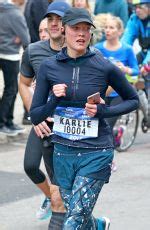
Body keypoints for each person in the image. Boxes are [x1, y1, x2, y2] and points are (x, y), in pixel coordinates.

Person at [30, 7, 139, 229]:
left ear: (91, 34)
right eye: (75, 28)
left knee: (74, 220)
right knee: (78, 214)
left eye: (86, 29)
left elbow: (133, 99)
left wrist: (103, 112)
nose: (81, 34)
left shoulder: (104, 66)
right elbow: (35, 114)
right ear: (63, 30)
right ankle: (98, 225)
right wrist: (53, 101)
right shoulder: (48, 68)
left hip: (96, 151)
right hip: (63, 153)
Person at [19, 1, 71, 226]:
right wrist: (34, 114)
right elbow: (23, 82)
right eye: (50, 19)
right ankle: (52, 200)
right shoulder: (34, 51)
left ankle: (65, 209)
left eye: (59, 20)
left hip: (68, 125)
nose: (53, 24)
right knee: (31, 166)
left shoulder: (79, 50)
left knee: (62, 188)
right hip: (43, 121)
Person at [95, 15, 139, 146]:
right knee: (98, 126)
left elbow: (135, 69)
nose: (107, 30)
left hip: (118, 94)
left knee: (106, 124)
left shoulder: (126, 49)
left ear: (120, 31)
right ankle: (112, 140)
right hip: (101, 92)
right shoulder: (98, 48)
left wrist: (125, 69)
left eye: (111, 27)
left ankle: (109, 158)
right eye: (106, 27)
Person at [0, 0, 30, 136]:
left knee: (9, 89)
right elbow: (26, 39)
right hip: (10, 55)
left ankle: (8, 122)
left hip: (2, 52)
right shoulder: (16, 14)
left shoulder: (2, 9)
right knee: (11, 89)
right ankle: (4, 122)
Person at [121, 0, 150, 66]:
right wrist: (120, 55)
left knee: (146, 72)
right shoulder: (134, 18)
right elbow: (127, 38)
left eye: (140, 7)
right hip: (143, 52)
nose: (137, 10)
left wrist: (146, 65)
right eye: (135, 7)